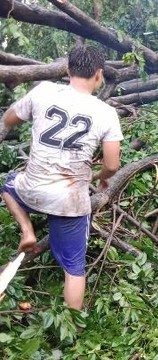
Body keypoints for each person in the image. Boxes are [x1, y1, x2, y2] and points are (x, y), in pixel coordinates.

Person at [1, 45, 123, 310]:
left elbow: (10, 118)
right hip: (70, 201)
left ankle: (27, 229)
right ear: (99, 75)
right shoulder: (106, 113)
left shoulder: (43, 90)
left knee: (8, 185)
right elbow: (113, 165)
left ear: (68, 70)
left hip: (31, 190)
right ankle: (74, 329)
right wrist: (101, 178)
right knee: (74, 268)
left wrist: (15, 119)